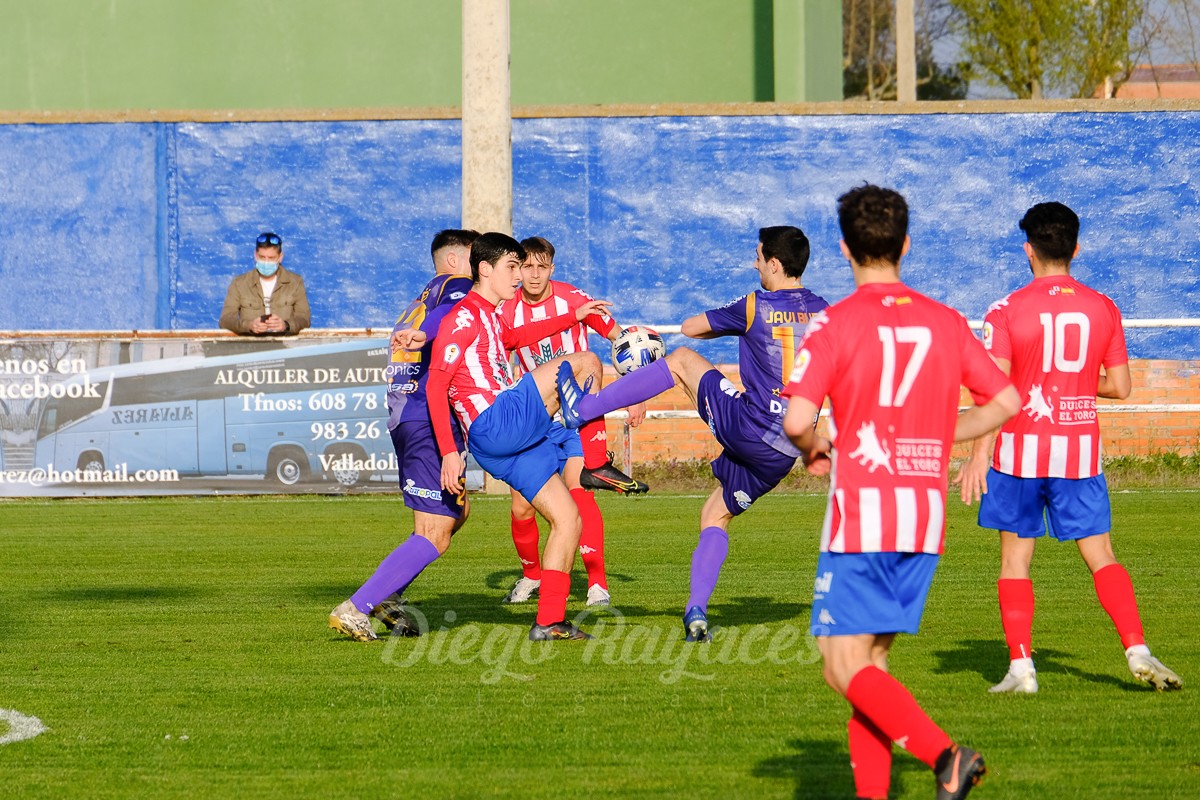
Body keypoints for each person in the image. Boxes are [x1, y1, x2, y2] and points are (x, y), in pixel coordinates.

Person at [781, 184, 1020, 800]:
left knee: (841, 666)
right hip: (923, 520)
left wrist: (816, 450)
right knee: (872, 667)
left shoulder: (834, 322)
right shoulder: (943, 320)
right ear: (905, 244)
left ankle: (948, 755)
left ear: (843, 248)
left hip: (863, 517)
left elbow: (796, 421)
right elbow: (1007, 401)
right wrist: (942, 436)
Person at [555, 225, 829, 642]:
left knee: (681, 359)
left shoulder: (756, 304)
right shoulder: (825, 313)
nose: (753, 263)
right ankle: (696, 613)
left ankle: (584, 408)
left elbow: (691, 326)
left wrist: (735, 322)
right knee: (715, 515)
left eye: (758, 256)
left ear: (774, 263)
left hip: (751, 427)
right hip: (785, 449)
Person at [956, 201, 1182, 694]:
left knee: (1015, 561)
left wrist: (977, 455)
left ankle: (1022, 670)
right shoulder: (1103, 306)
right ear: (1075, 248)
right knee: (1101, 554)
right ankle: (1137, 649)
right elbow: (1121, 386)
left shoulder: (1006, 310)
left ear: (1028, 250)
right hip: (1078, 452)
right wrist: (1072, 382)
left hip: (1019, 454)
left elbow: (994, 389)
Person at [424, 232, 616, 641]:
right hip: (495, 422)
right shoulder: (464, 317)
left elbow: (521, 338)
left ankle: (549, 621)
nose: (519, 276)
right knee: (585, 361)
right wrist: (449, 452)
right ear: (485, 269)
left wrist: (575, 315)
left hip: (508, 444)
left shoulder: (494, 317)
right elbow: (436, 385)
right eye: (513, 267)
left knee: (568, 520)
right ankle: (595, 460)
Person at [328, 229, 479, 641]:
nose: (481, 261)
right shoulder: (458, 287)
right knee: (436, 530)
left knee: (454, 514)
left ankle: (385, 595)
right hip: (429, 419)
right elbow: (443, 321)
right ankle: (358, 606)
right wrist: (426, 334)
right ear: (453, 260)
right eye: (474, 253)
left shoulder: (424, 294)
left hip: (406, 414)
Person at [496, 235, 649, 608]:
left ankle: (597, 583)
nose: (533, 275)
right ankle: (532, 575)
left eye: (541, 266)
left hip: (579, 417)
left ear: (552, 268)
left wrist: (637, 393)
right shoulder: (506, 309)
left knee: (579, 493)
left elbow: (623, 342)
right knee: (521, 506)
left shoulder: (575, 298)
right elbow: (503, 347)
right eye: (526, 266)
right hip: (536, 415)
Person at [219, 232, 311, 335]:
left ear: (280, 257)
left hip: (285, 345)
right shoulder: (239, 284)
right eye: (262, 257)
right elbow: (225, 320)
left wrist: (286, 325)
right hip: (251, 346)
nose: (266, 262)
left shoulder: (295, 282)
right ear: (255, 256)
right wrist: (249, 325)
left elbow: (304, 319)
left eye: (271, 258)